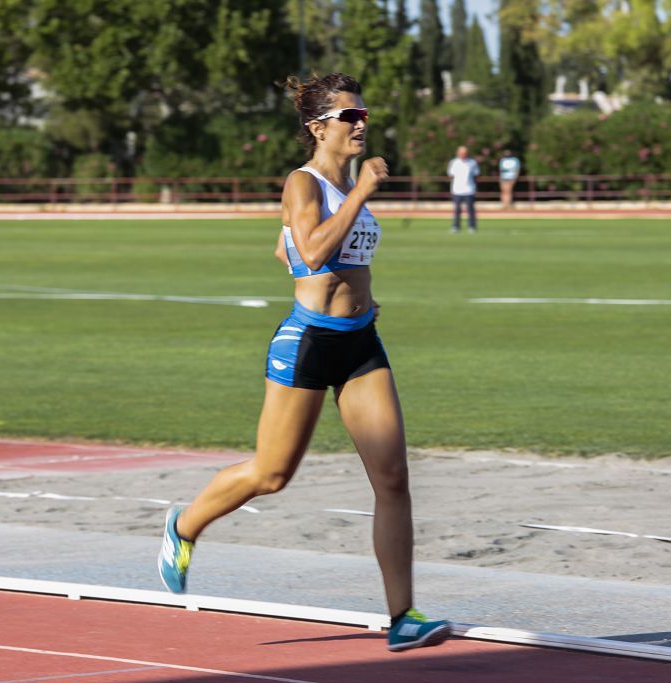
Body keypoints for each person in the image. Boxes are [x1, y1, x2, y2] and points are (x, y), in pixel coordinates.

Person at [158, 72, 452, 653]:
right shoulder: (304, 180)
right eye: (350, 116)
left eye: (364, 114)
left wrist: (353, 289)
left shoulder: (335, 184)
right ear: (319, 127)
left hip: (361, 340)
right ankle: (184, 526)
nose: (362, 123)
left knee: (393, 478)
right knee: (272, 474)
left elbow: (290, 247)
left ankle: (403, 617)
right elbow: (315, 250)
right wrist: (363, 193)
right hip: (309, 341)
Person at [447, 146, 479, 233]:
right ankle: (456, 226)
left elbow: (476, 174)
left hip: (469, 189)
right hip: (457, 190)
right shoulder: (454, 162)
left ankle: (472, 226)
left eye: (464, 153)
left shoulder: (472, 162)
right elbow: (451, 175)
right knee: (457, 209)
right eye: (461, 153)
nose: (463, 155)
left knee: (470, 209)